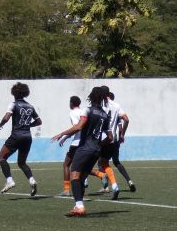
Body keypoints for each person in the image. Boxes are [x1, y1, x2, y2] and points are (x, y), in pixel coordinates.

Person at [52, 86, 112, 217]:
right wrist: (99, 144)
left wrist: (62, 133)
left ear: (91, 96)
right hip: (96, 150)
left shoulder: (87, 110)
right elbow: (110, 137)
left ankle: (79, 206)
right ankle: (78, 206)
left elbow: (79, 126)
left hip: (84, 148)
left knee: (74, 176)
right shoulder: (105, 114)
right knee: (82, 178)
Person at [0, 82, 42, 195]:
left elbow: (7, 117)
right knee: (22, 163)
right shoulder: (30, 106)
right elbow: (39, 121)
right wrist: (28, 125)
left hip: (16, 136)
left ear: (14, 93)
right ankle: (32, 180)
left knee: (1, 158)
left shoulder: (13, 104)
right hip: (27, 137)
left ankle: (9, 181)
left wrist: (1, 124)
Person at [57, 96, 106, 197]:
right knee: (82, 167)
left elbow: (77, 127)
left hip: (77, 143)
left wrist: (64, 135)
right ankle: (100, 174)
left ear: (71, 103)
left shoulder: (73, 113)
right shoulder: (84, 111)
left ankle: (67, 190)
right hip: (89, 143)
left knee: (67, 165)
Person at [103, 91, 136, 197]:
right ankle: (129, 181)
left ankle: (107, 186)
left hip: (106, 139)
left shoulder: (105, 106)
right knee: (116, 162)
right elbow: (121, 124)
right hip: (115, 140)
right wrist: (122, 135)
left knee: (101, 162)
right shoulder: (117, 108)